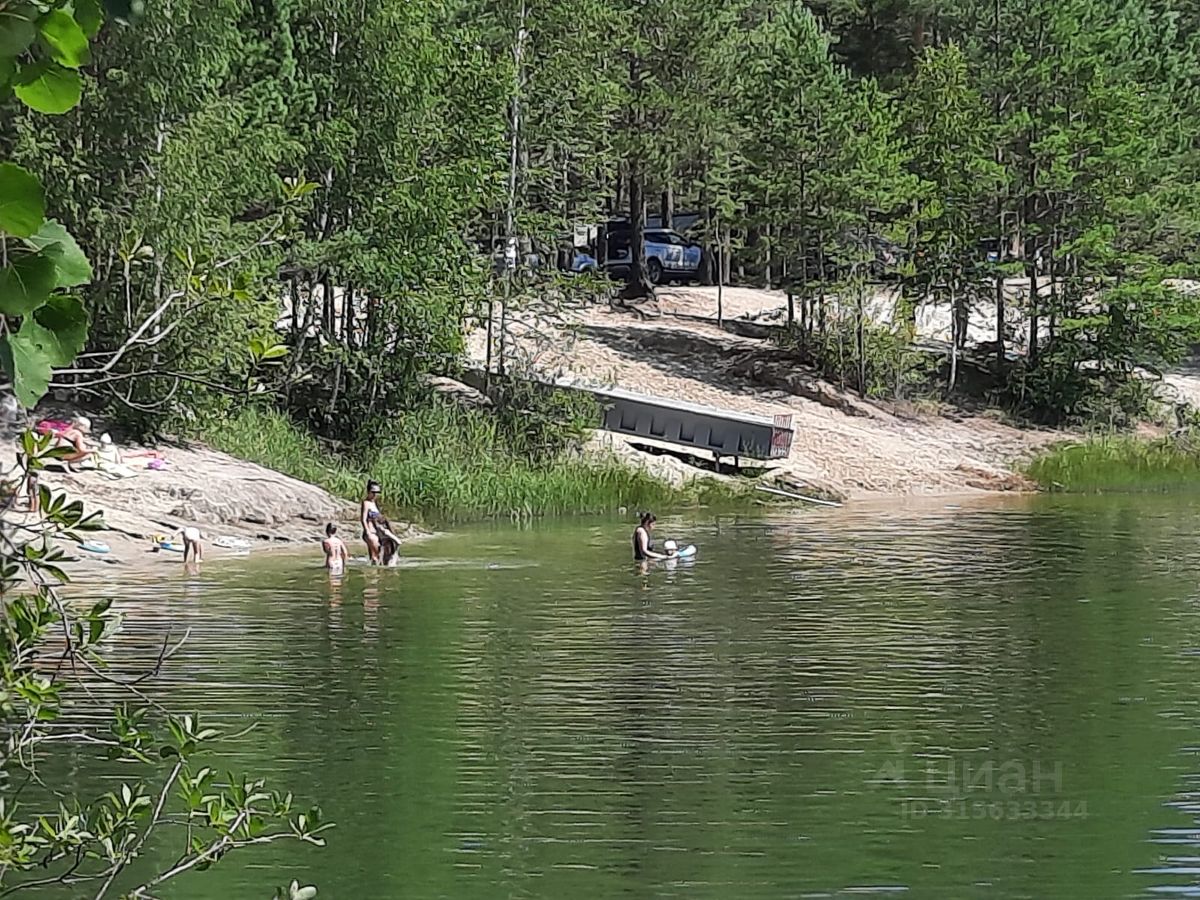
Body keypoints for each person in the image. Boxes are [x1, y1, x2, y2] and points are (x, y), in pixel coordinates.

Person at [360, 480, 383, 564]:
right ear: (368, 492)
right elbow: (363, 519)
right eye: (373, 492)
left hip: (376, 532)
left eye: (377, 492)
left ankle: (372, 571)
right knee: (377, 554)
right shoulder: (366, 503)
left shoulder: (374, 503)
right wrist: (368, 532)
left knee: (374, 556)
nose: (375, 495)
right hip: (370, 532)